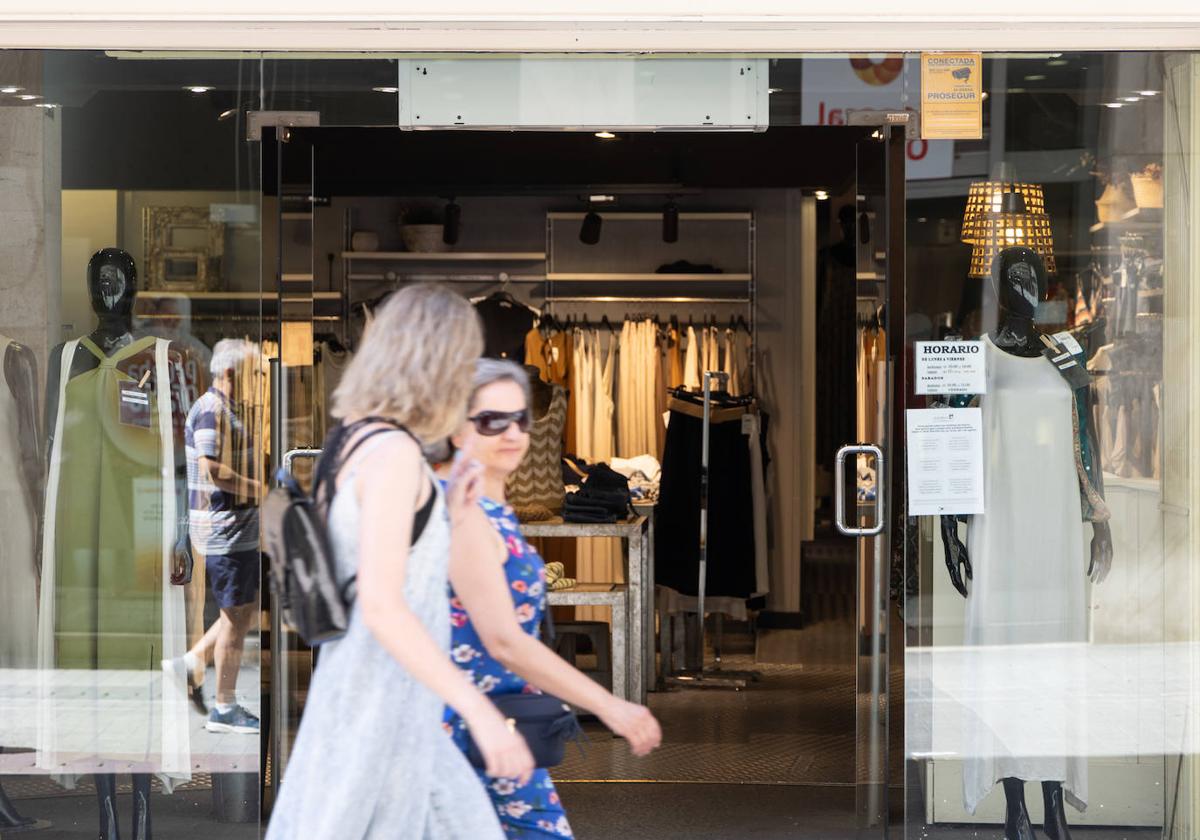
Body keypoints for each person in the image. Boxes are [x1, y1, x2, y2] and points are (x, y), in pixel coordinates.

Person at [266, 285, 530, 840]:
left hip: (384, 705)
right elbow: (383, 606)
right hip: (379, 711)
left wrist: (448, 513)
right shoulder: (394, 455)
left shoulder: (353, 440)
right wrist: (479, 712)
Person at [444, 359, 663, 838]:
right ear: (456, 429)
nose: (511, 432)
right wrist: (610, 705)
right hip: (464, 727)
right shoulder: (464, 511)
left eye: (520, 418)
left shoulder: (488, 504)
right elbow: (502, 640)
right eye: (490, 420)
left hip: (498, 722)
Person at [180, 338, 264, 734]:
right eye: (254, 373)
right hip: (225, 530)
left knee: (241, 608)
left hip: (235, 529)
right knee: (234, 616)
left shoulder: (224, 408)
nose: (259, 380)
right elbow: (212, 468)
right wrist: (260, 489)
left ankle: (192, 662)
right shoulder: (213, 410)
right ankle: (224, 707)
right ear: (231, 373)